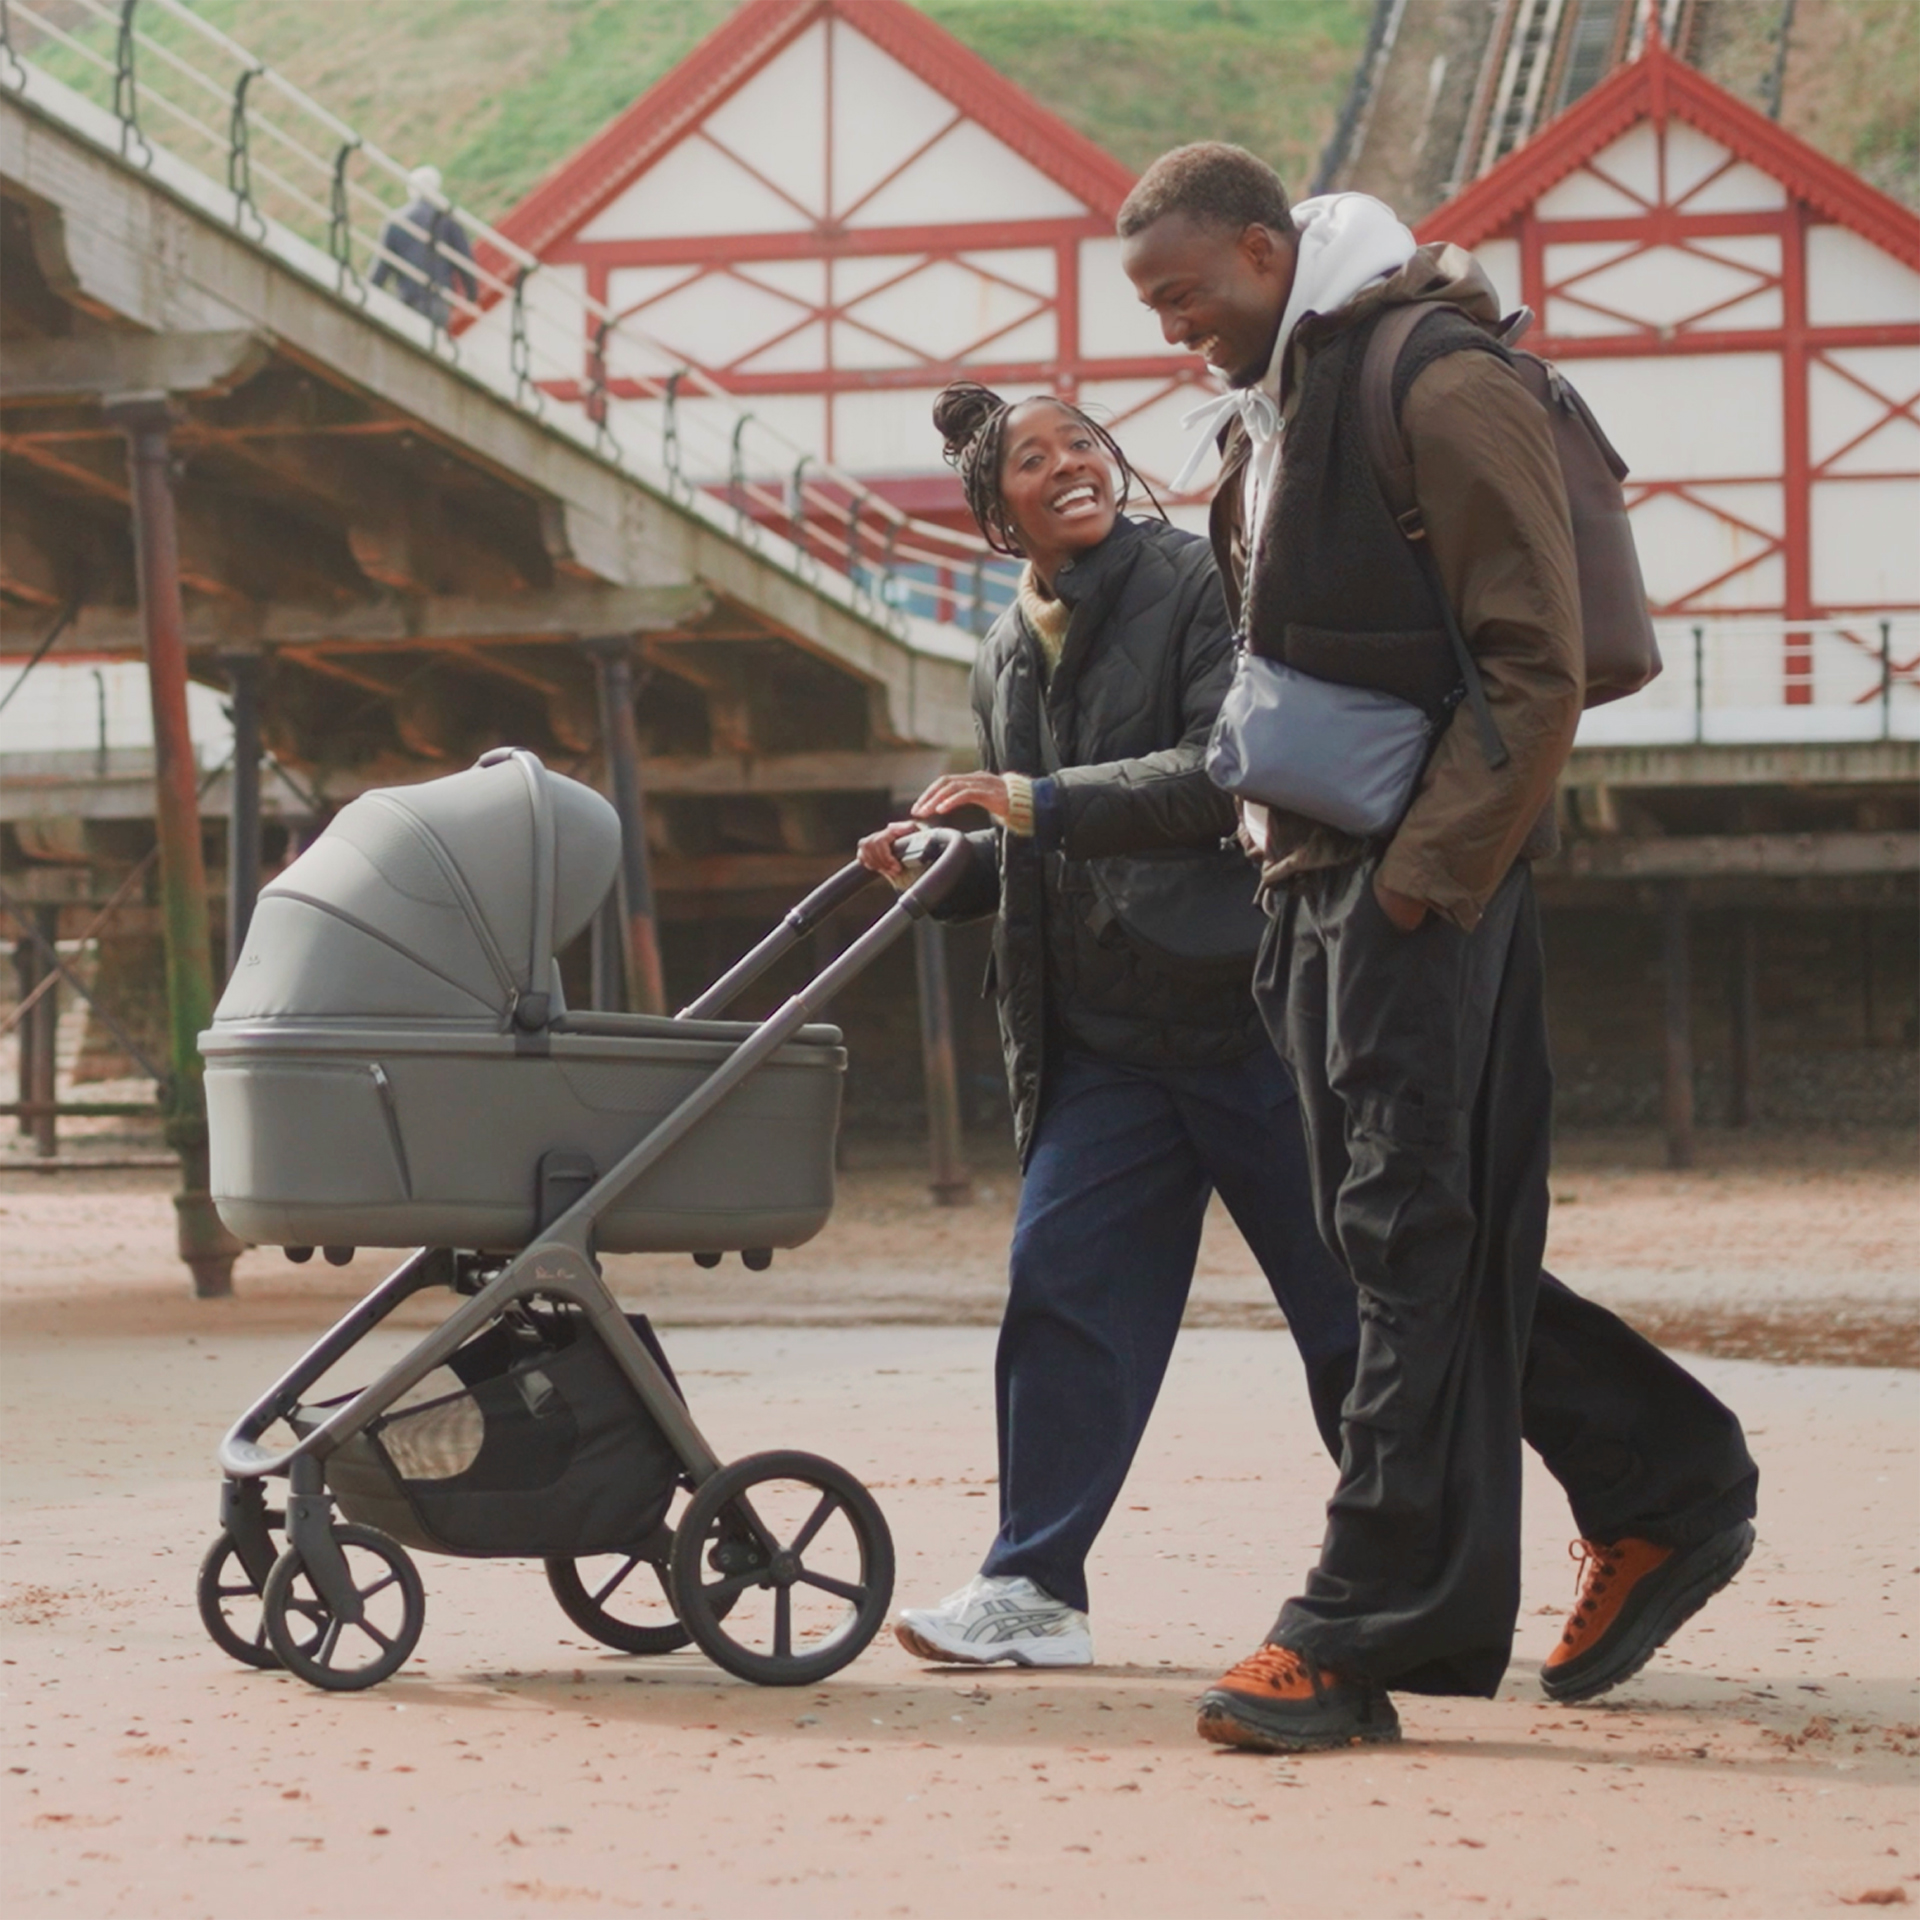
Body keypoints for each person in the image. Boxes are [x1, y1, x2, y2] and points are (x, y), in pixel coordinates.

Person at [1117, 144, 1759, 1751]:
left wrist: (1419, 886)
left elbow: (1533, 663)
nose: (1172, 328)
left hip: (1415, 886)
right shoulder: (1274, 409)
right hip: (1311, 884)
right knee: (1402, 1248)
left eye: (1185, 293)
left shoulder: (1433, 373)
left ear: (1268, 252)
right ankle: (1662, 1482)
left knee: (1404, 1244)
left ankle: (1353, 1629)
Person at [859, 380, 1359, 1669]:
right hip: (1104, 1049)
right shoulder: (999, 651)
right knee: (1062, 1293)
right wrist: (947, 868)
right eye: (1034, 459)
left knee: (1349, 1316)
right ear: (994, 507)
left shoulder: (1198, 583)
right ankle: (1033, 1591)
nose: (1071, 465)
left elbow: (1223, 771)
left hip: (1248, 1020)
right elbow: (1033, 848)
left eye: (1083, 442)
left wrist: (1025, 801)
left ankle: (1409, 1572)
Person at [372, 165, 478, 328]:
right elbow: (464, 260)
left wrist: (368, 296)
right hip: (438, 301)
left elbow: (381, 269)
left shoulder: (395, 222)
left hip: (407, 303)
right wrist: (472, 295)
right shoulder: (447, 218)